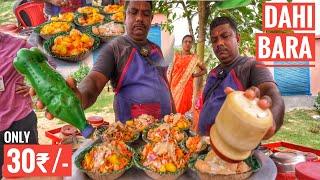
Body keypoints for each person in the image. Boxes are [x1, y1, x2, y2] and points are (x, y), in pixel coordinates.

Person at [40, 0, 175, 122]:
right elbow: (94, 82)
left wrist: (174, 114)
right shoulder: (115, 48)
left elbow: (165, 84)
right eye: (133, 12)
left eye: (146, 14)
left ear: (151, 19)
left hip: (166, 129)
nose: (139, 18)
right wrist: (78, 97)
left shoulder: (156, 49)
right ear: (124, 17)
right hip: (134, 135)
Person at [197, 16, 285, 139]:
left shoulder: (252, 65)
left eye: (225, 36)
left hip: (234, 152)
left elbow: (271, 92)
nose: (219, 43)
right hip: (202, 147)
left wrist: (272, 122)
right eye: (214, 40)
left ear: (237, 38)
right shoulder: (213, 73)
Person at [0, 32, 39, 178]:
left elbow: (48, 65)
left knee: (27, 174)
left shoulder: (18, 45)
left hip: (19, 123)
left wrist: (32, 85)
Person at [167, 35, 206, 114]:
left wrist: (194, 75)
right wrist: (168, 86)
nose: (188, 43)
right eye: (186, 41)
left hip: (187, 87)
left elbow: (204, 70)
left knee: (183, 110)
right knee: (171, 108)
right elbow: (170, 72)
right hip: (173, 87)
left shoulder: (195, 58)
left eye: (190, 42)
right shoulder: (175, 56)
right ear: (182, 43)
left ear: (192, 44)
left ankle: (182, 124)